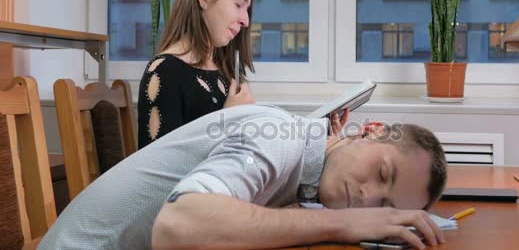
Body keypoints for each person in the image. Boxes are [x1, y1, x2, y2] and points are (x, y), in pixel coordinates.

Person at [39, 104, 447, 250]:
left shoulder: (304, 169)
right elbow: (179, 224)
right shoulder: (278, 139)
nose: (366, 197)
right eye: (381, 173)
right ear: (369, 130)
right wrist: (344, 223)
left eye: (384, 208)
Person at [138, 0, 255, 149]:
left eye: (247, 9)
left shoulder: (225, 71)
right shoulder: (165, 72)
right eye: (238, 5)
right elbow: (161, 171)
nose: (246, 20)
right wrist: (227, 122)